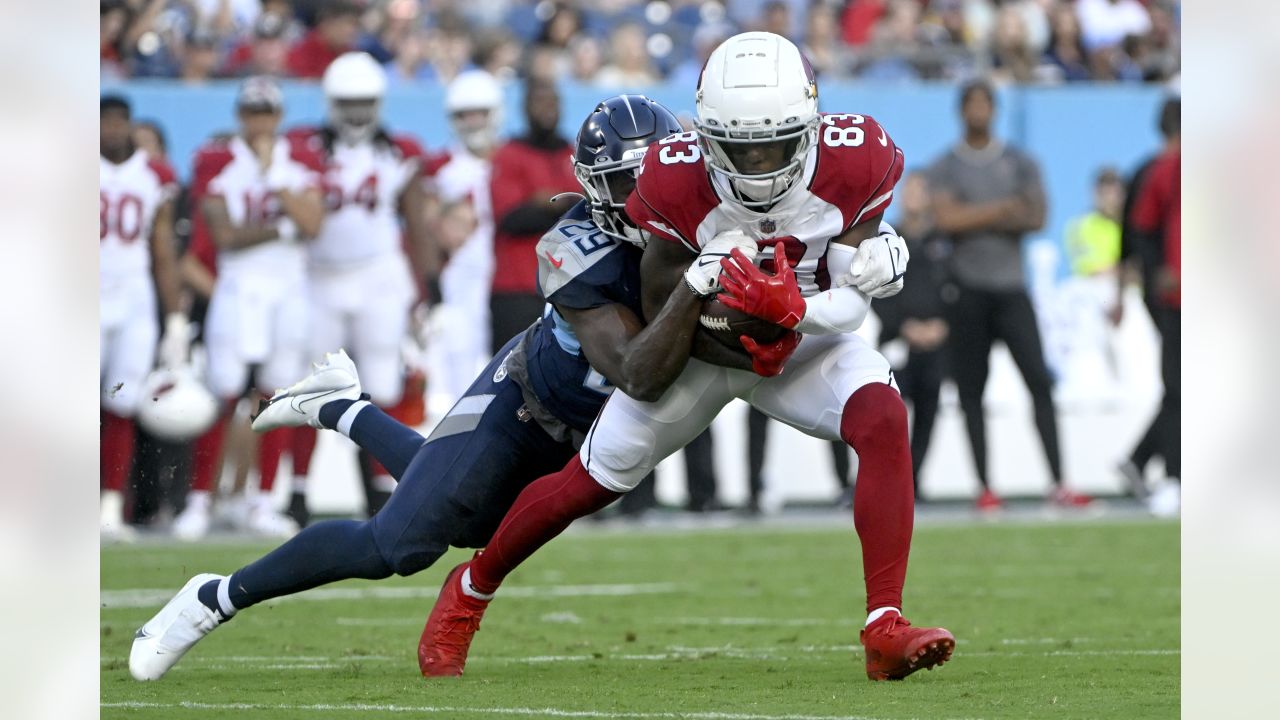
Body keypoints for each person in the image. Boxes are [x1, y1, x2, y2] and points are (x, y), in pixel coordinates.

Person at [416, 32, 954, 683]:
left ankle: (884, 624)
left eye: (773, 144)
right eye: (737, 147)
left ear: (811, 128)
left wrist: (869, 264)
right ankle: (470, 589)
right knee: (584, 486)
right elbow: (661, 305)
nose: (755, 163)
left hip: (800, 343)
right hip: (701, 346)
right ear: (705, 136)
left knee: (883, 419)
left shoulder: (857, 155)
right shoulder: (673, 177)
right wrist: (737, 325)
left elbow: (849, 291)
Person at [128, 95, 703, 682]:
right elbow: (636, 370)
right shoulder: (572, 246)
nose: (638, 198)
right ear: (590, 185)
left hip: (580, 423)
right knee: (398, 545)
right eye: (621, 183)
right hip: (524, 403)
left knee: (469, 520)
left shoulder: (704, 218)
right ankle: (215, 597)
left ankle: (339, 406)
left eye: (648, 177)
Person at [171, 77, 325, 540]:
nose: (258, 121)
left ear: (278, 116)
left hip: (288, 289)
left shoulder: (300, 158)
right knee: (223, 394)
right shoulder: (217, 159)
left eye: (266, 112)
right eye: (251, 112)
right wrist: (281, 227)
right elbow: (225, 236)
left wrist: (274, 181)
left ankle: (262, 501)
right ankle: (200, 501)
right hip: (237, 290)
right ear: (240, 115)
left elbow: (313, 223)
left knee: (275, 396)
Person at [927, 80, 1091, 512]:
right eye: (972, 104)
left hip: (1012, 289)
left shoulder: (1020, 161)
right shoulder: (945, 165)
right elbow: (946, 219)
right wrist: (1003, 209)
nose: (979, 111)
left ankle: (1058, 480)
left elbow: (1036, 215)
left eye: (985, 103)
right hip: (967, 290)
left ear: (994, 110)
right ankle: (984, 486)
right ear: (961, 111)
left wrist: (973, 214)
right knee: (971, 392)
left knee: (1039, 382)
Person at [282, 52, 431, 526]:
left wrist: (426, 289)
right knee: (313, 386)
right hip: (320, 276)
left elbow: (417, 220)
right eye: (349, 102)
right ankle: (299, 491)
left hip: (379, 275)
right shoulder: (303, 148)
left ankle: (384, 490)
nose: (358, 113)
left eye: (365, 102)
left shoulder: (400, 150)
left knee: (384, 384)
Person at [100, 95, 188, 540]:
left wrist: (173, 317)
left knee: (123, 402)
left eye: (118, 121)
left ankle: (110, 507)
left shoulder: (154, 174)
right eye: (104, 121)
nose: (111, 130)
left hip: (133, 297)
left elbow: (162, 250)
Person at [421, 69, 504, 406]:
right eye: (464, 116)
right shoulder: (440, 166)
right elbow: (425, 229)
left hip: (508, 282)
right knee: (459, 383)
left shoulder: (510, 160)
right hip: (458, 283)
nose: (472, 123)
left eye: (479, 114)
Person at [873, 171, 951, 497]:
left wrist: (942, 324)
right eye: (909, 191)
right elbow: (876, 289)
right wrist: (904, 326)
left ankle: (914, 477)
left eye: (921, 191)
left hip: (935, 343)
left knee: (930, 409)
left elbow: (955, 288)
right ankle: (890, 477)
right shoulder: (886, 238)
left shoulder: (942, 241)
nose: (913, 197)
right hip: (897, 340)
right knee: (891, 412)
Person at [1116, 97, 1179, 498]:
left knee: (1184, 384)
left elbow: (1129, 237)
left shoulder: (1146, 169)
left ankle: (1140, 459)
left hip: (1163, 288)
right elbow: (1136, 233)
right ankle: (1170, 473)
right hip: (1170, 291)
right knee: (1181, 383)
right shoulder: (1158, 171)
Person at [487, 79, 579, 353]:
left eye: (553, 103)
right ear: (525, 108)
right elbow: (511, 218)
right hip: (517, 289)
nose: (547, 109)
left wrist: (547, 202)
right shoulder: (509, 154)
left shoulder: (571, 154)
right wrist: (562, 204)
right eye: (540, 102)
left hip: (567, 288)